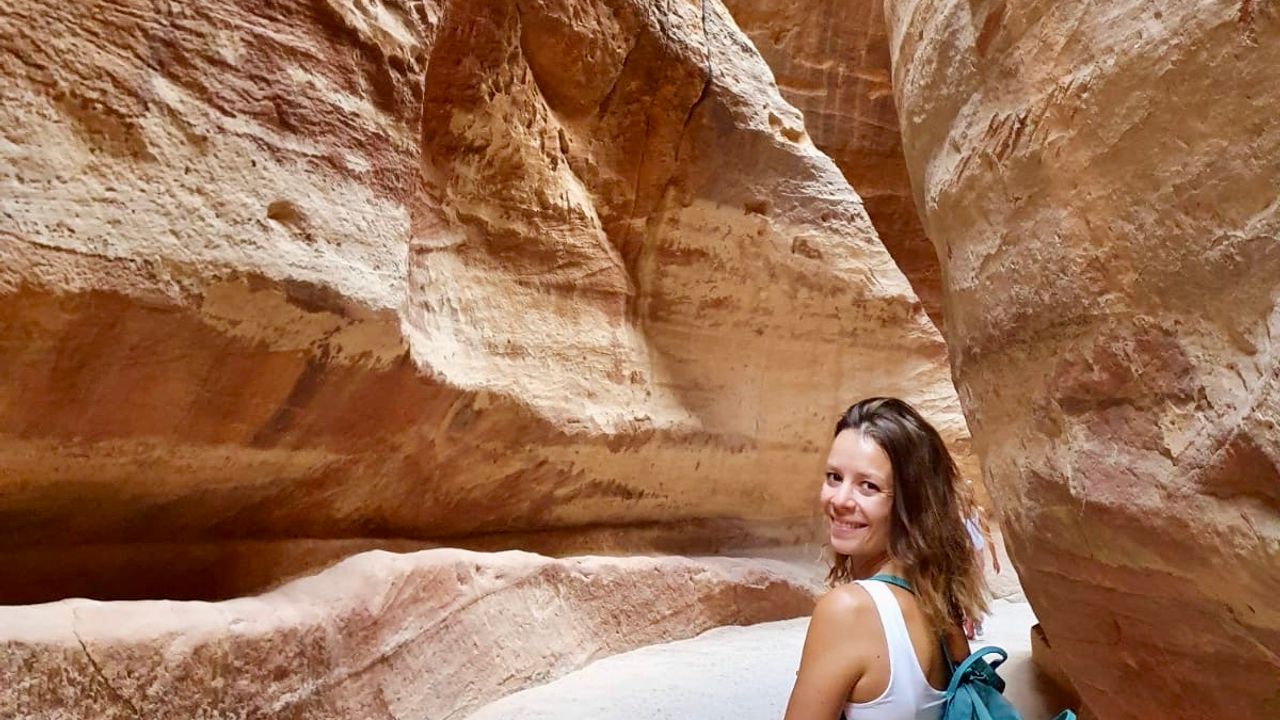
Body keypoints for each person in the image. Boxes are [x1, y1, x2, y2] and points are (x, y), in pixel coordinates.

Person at [784, 398, 989, 720]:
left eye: (868, 486)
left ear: (912, 506)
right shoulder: (937, 601)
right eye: (834, 477)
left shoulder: (849, 611)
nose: (839, 500)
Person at [961, 500, 1001, 639]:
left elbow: (987, 535)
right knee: (966, 590)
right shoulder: (956, 512)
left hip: (977, 555)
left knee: (973, 590)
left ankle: (973, 621)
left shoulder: (979, 511)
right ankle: (973, 620)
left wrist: (995, 558)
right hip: (963, 555)